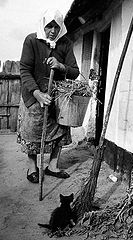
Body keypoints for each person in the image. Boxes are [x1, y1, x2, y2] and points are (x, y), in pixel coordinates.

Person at [17, 9, 79, 183]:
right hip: (33, 93)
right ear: (43, 26)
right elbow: (25, 71)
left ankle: (52, 166)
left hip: (56, 96)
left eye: (56, 27)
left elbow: (74, 72)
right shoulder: (31, 40)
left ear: (61, 28)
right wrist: (37, 94)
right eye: (49, 26)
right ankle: (32, 166)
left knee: (61, 130)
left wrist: (61, 66)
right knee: (32, 131)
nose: (52, 31)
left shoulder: (65, 43)